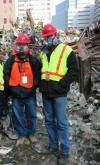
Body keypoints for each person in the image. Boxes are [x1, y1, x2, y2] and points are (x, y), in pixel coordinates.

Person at [39, 24, 79, 159]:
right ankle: (53, 145)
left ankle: (65, 151)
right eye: (45, 37)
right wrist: (41, 85)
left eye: (49, 36)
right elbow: (42, 71)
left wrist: (62, 84)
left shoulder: (66, 50)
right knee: (49, 121)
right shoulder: (43, 52)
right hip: (46, 93)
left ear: (55, 36)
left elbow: (74, 71)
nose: (48, 39)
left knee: (61, 122)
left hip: (59, 93)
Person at [4, 33, 40, 146]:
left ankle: (31, 134)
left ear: (27, 46)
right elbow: (6, 76)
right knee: (18, 116)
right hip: (16, 94)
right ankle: (22, 135)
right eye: (19, 45)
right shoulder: (10, 61)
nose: (21, 47)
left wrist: (33, 88)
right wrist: (11, 90)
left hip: (29, 94)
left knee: (32, 115)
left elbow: (37, 76)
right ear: (16, 46)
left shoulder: (33, 60)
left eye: (23, 45)